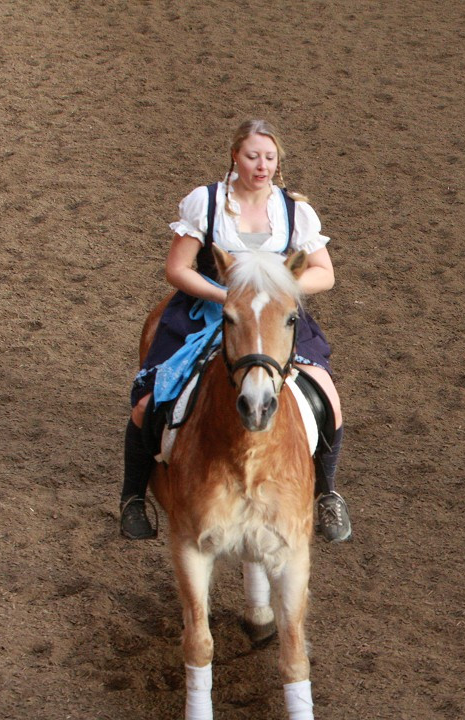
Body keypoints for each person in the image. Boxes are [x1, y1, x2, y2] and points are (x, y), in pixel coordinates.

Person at [119, 118, 353, 542]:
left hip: (271, 318)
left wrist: (277, 292)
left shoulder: (295, 210)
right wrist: (223, 296)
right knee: (148, 403)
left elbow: (325, 273)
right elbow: (177, 268)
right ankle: (133, 496)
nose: (261, 165)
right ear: (235, 156)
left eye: (269, 157)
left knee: (328, 398)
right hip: (209, 313)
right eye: (252, 156)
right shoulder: (206, 203)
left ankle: (328, 495)